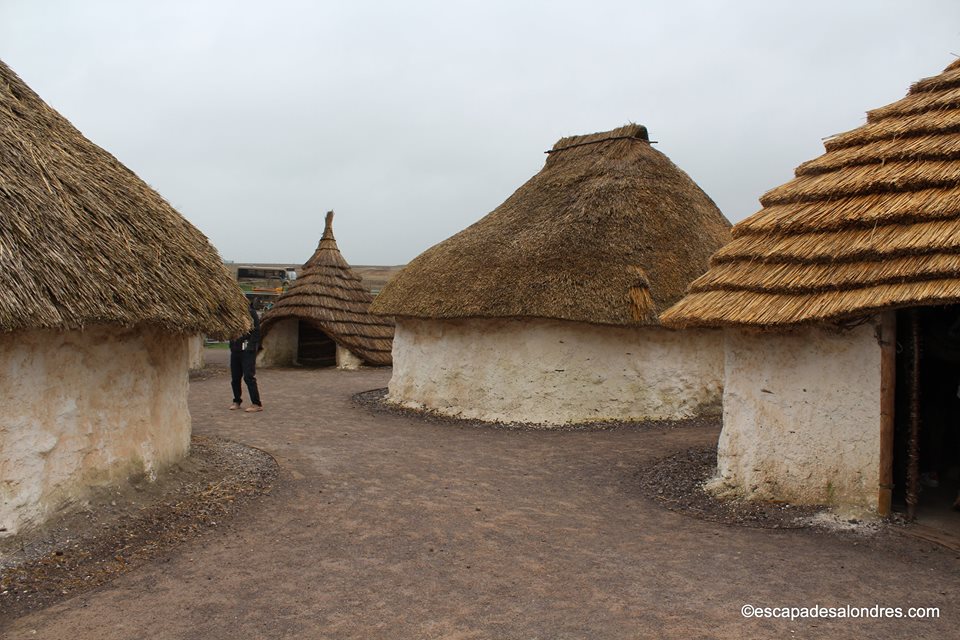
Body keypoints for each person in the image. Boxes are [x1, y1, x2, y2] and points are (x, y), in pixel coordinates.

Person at [230, 301, 263, 412]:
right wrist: (232, 345)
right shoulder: (233, 314)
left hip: (247, 350)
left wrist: (250, 346)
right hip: (235, 349)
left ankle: (256, 403)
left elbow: (257, 331)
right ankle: (237, 401)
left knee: (248, 377)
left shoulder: (251, 313)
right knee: (235, 377)